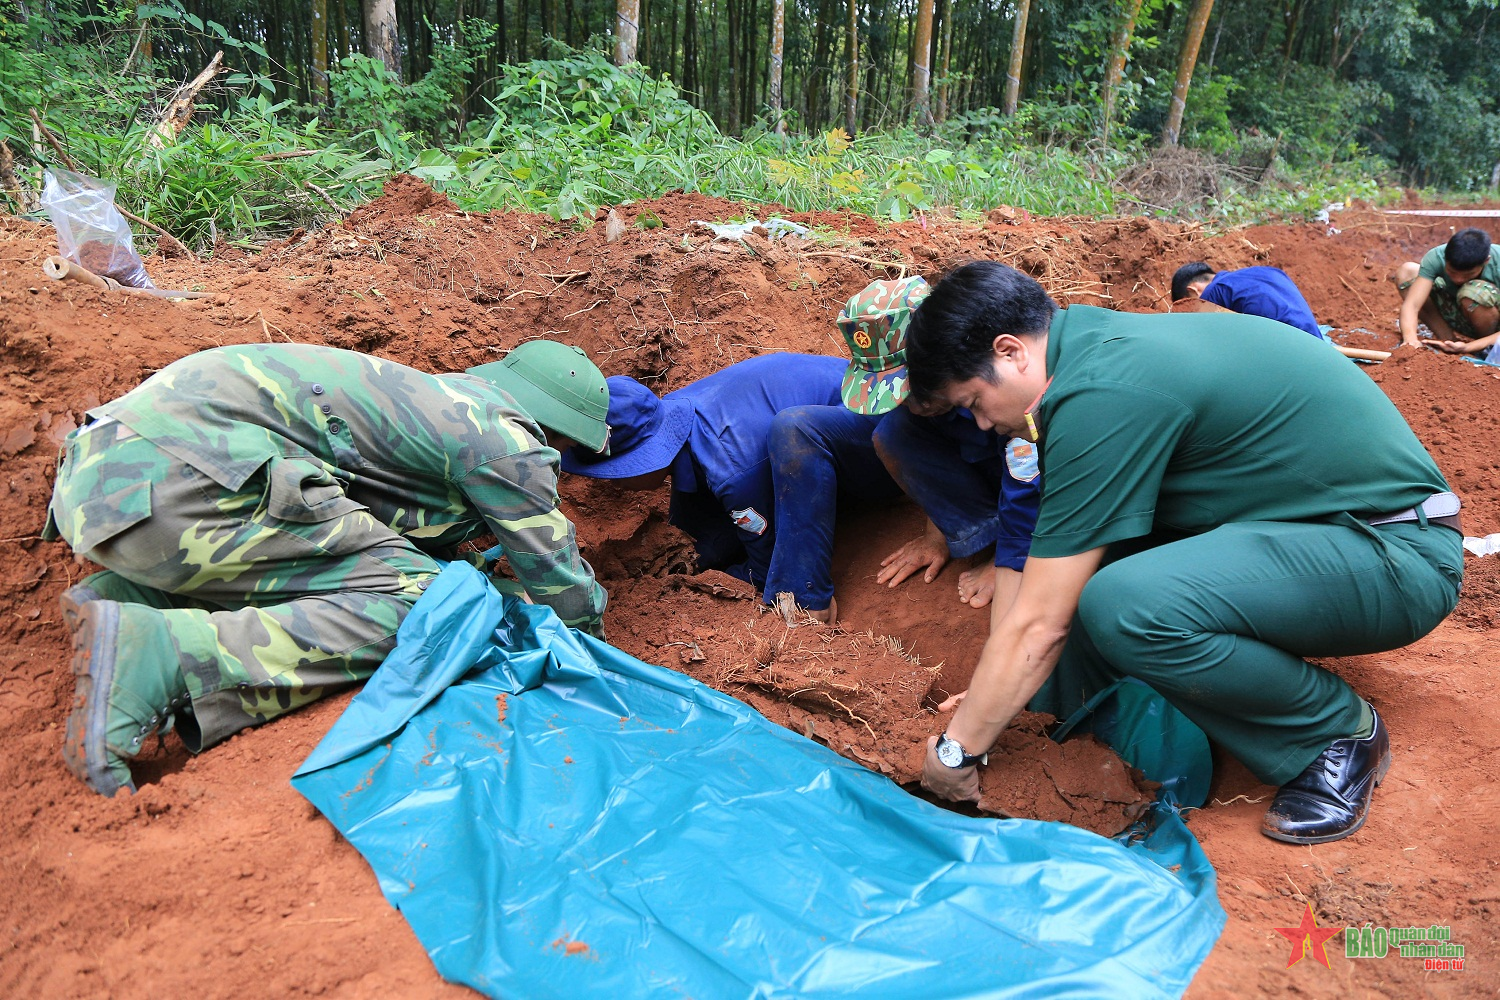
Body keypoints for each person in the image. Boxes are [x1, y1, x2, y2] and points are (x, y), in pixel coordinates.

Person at [905, 261, 1462, 845]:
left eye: (973, 400)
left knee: (1126, 602)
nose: (984, 424)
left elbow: (1039, 624)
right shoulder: (1092, 347)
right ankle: (1070, 714)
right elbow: (1053, 570)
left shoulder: (1101, 395)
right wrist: (1002, 705)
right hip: (1319, 532)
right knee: (1093, 566)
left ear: (1011, 351)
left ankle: (1334, 734)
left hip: (1397, 554)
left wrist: (955, 750)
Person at [46, 340, 611, 797]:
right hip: (189, 489)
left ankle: (127, 599)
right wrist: (589, 651)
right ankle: (168, 654)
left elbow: (350, 541)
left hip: (105, 489)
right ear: (556, 431)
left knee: (353, 573)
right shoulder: (507, 441)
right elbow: (559, 581)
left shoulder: (427, 397)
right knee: (430, 603)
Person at [561, 354, 900, 623]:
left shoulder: (731, 470)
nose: (611, 481)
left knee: (779, 576)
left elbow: (766, 564)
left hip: (881, 430)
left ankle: (808, 597)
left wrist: (716, 577)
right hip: (832, 400)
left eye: (613, 471)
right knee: (703, 536)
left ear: (643, 456)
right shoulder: (673, 413)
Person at [837, 276, 1040, 627]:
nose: (914, 406)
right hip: (991, 475)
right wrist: (939, 535)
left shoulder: (1000, 388)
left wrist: (1008, 561)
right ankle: (971, 533)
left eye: (916, 387)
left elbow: (1028, 472)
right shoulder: (920, 409)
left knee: (1019, 452)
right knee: (892, 432)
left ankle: (1006, 547)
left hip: (1035, 484)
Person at [1394, 227, 1500, 354]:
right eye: (1452, 272)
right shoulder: (1436, 256)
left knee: (1473, 292)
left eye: (1467, 275)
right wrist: (1410, 340)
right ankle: (1448, 341)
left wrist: (1469, 347)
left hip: (1494, 326)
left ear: (1486, 261)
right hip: (1460, 314)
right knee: (1408, 272)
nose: (1458, 279)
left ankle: (1488, 349)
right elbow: (1412, 305)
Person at [1170, 262, 1324, 339]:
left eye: (1189, 304)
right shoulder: (1268, 271)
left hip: (1292, 353)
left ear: (1193, 290)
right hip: (1316, 341)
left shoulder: (1212, 292)